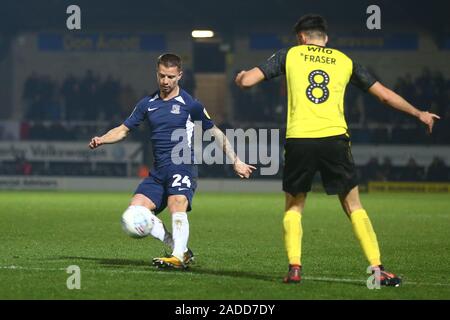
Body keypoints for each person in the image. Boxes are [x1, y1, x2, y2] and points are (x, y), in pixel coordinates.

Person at [235, 14, 440, 285]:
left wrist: (240, 77)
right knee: (353, 205)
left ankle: (294, 267)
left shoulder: (291, 55)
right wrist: (419, 113)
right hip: (335, 139)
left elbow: (248, 81)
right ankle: (377, 270)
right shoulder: (345, 61)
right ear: (326, 39)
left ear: (301, 37)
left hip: (300, 140)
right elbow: (384, 95)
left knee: (294, 206)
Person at [89, 53, 255, 269]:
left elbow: (214, 132)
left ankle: (177, 256)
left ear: (179, 76)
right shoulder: (147, 104)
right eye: (161, 76)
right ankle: (179, 248)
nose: (165, 82)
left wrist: (236, 161)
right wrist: (102, 139)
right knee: (134, 211)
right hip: (158, 172)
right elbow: (123, 130)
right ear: (156, 74)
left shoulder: (190, 104)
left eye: (170, 77)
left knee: (176, 203)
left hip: (182, 165)